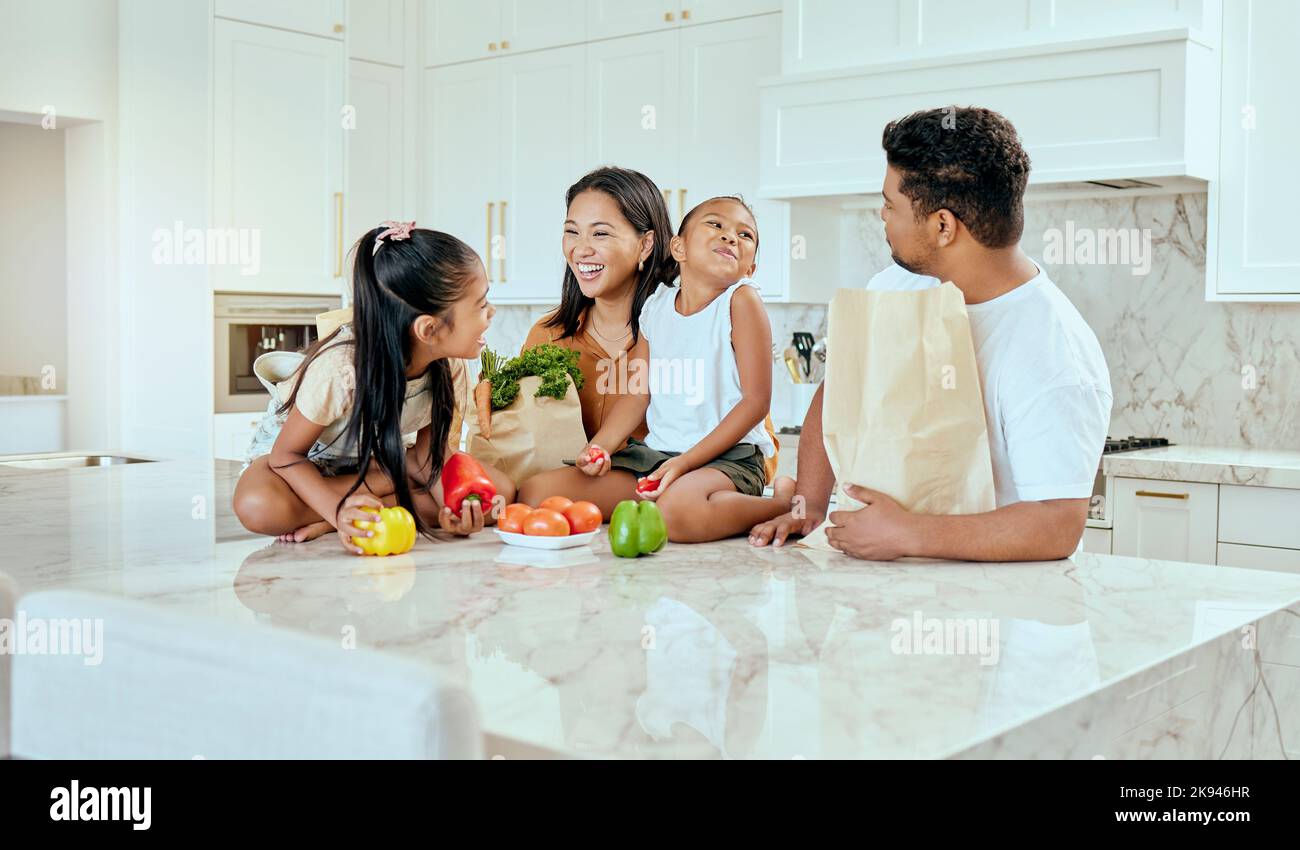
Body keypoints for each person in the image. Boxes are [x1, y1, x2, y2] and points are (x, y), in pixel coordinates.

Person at [750, 107, 1112, 562]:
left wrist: (907, 534)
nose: (881, 215)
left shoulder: (1053, 351)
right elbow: (839, 389)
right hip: (883, 596)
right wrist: (808, 506)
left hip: (996, 612)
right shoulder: (895, 286)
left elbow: (1056, 525)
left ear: (943, 226)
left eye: (890, 204)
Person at [233, 222, 515, 553]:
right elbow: (286, 457)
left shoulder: (448, 363)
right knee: (258, 505)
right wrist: (338, 512)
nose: (491, 313)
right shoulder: (342, 371)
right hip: (301, 466)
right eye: (481, 305)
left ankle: (351, 511)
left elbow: (427, 457)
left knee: (501, 492)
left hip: (374, 465)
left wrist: (452, 508)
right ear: (428, 328)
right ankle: (354, 508)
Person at [539, 196, 795, 542]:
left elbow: (756, 404)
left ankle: (783, 505)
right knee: (539, 494)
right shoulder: (657, 307)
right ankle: (673, 497)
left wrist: (686, 463)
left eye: (745, 235)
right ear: (679, 247)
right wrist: (599, 447)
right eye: (716, 225)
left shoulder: (741, 301)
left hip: (728, 460)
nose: (731, 237)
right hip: (659, 457)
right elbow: (637, 394)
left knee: (678, 515)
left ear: (750, 268)